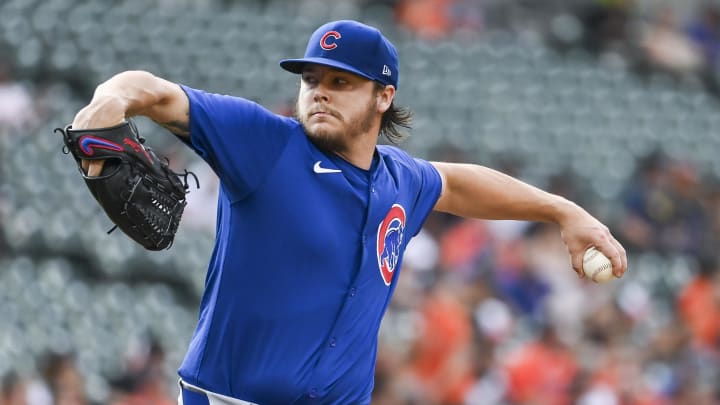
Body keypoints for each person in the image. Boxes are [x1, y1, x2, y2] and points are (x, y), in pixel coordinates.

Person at [70, 19, 627, 405]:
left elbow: (457, 182)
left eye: (340, 82)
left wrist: (562, 211)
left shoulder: (399, 178)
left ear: (383, 97)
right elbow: (152, 91)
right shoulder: (266, 144)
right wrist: (109, 100)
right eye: (311, 80)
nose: (319, 93)